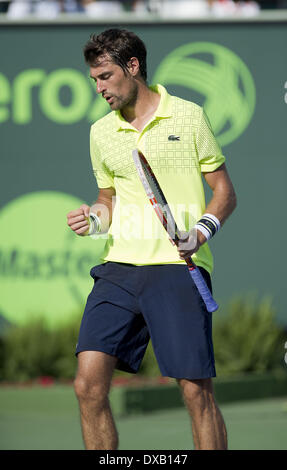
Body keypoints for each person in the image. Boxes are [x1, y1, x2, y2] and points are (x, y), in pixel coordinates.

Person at [67, 28, 237, 450]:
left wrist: (200, 232)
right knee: (87, 386)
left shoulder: (189, 116)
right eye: (93, 80)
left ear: (133, 66)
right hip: (119, 269)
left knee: (196, 392)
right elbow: (108, 200)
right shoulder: (100, 133)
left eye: (105, 76)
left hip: (176, 270)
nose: (99, 87)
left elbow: (225, 193)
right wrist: (95, 219)